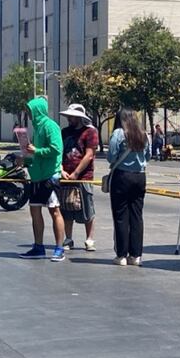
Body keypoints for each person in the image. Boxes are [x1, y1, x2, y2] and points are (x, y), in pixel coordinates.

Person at [18, 96, 66, 262]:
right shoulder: (37, 128)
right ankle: (38, 247)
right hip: (37, 176)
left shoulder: (50, 126)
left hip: (49, 176)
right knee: (35, 210)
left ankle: (59, 248)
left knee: (54, 211)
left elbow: (56, 149)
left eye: (30, 110)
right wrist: (24, 159)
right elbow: (36, 154)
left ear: (37, 110)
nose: (29, 114)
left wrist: (36, 150)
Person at [108, 108, 149, 266]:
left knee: (120, 215)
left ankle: (121, 254)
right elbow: (148, 156)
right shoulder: (144, 134)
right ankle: (136, 255)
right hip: (140, 176)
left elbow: (111, 155)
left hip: (122, 176)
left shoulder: (119, 133)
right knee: (137, 216)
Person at [59, 103, 99, 252]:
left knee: (87, 209)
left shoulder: (90, 132)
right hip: (66, 175)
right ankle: (68, 238)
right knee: (66, 207)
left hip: (84, 177)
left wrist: (76, 172)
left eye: (72, 116)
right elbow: (60, 152)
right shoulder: (65, 132)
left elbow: (89, 154)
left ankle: (89, 239)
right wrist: (61, 169)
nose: (69, 118)